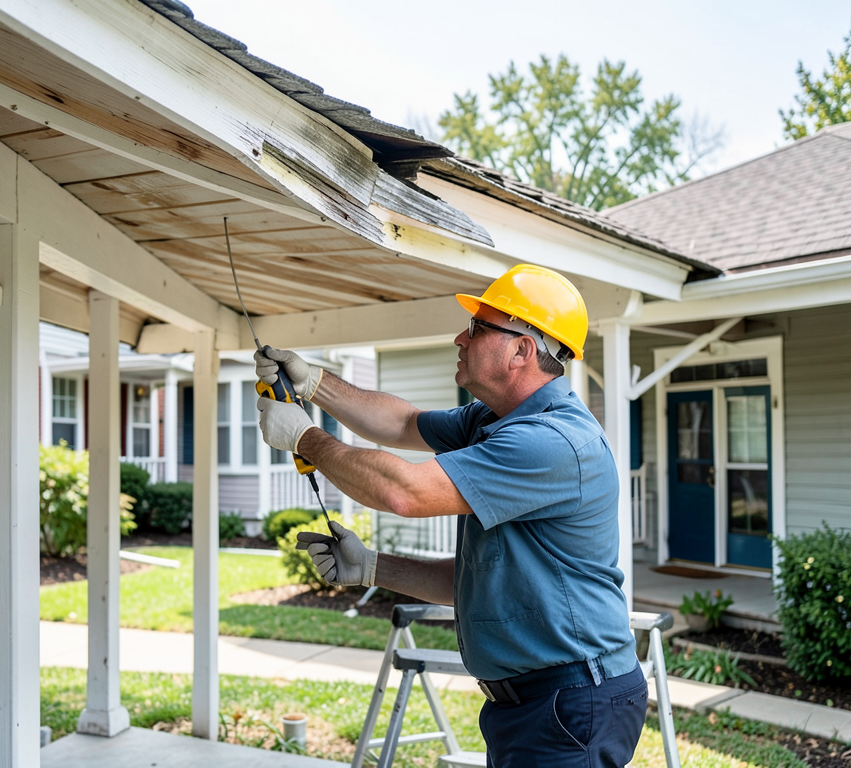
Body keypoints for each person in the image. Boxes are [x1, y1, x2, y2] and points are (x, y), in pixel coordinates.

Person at [254, 264, 647, 767]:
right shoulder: (494, 420)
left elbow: (404, 493)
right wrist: (313, 383)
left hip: (570, 703)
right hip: (538, 703)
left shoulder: (551, 442)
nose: (461, 338)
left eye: (478, 328)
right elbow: (402, 424)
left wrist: (305, 438)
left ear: (522, 350)